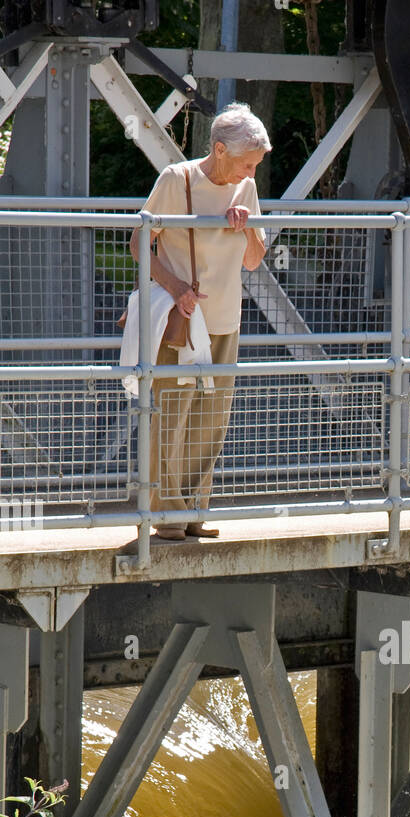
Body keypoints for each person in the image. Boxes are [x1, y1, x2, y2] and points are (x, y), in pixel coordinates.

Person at [130, 103, 271, 540]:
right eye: (247, 163)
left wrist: (247, 227)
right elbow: (139, 242)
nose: (251, 173)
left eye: (256, 166)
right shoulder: (178, 180)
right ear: (220, 149)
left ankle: (194, 513)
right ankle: (165, 517)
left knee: (212, 421)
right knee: (170, 417)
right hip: (183, 318)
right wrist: (175, 288)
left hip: (226, 320)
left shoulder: (245, 187)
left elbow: (253, 260)